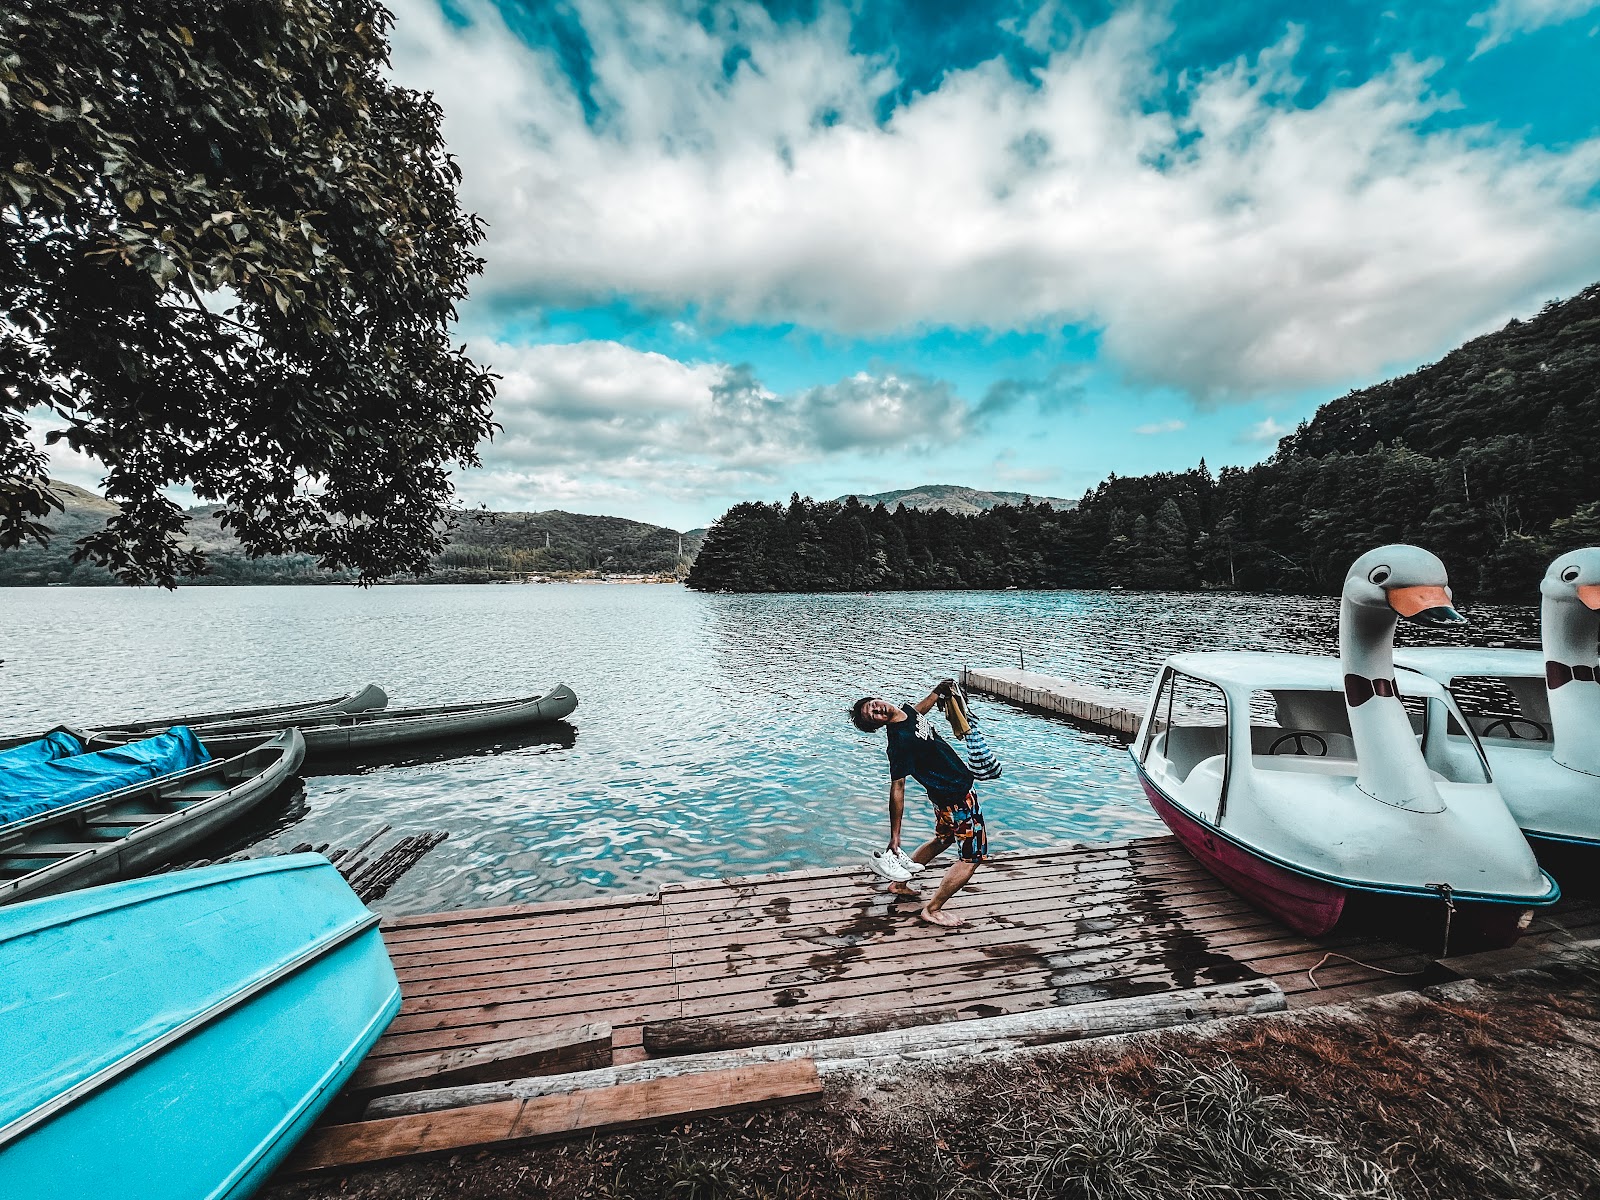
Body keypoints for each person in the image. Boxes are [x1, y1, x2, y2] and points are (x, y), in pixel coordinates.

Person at [850, 680, 988, 928]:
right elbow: (898, 788)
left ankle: (899, 884)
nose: (878, 709)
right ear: (878, 725)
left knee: (943, 840)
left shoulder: (904, 713)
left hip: (945, 798)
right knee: (971, 858)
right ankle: (933, 909)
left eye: (873, 705)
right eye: (873, 716)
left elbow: (917, 713)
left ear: (876, 698)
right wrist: (895, 836)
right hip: (957, 799)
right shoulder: (899, 744)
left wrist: (936, 692)